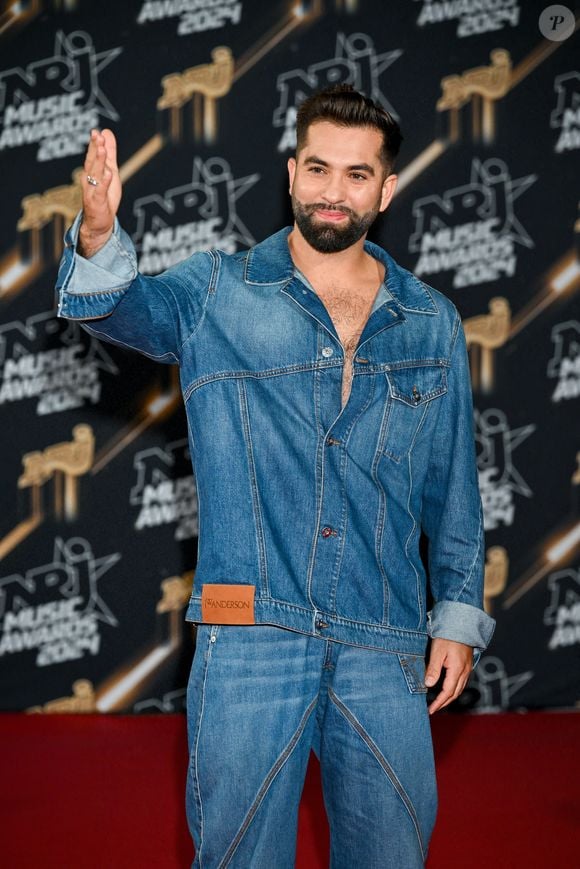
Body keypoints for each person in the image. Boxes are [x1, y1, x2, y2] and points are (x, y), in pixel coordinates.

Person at [56, 84, 495, 868]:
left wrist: (458, 617)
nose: (333, 191)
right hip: (250, 627)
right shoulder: (216, 290)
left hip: (384, 633)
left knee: (393, 853)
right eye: (318, 169)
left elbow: (452, 483)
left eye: (357, 175)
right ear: (292, 174)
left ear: (387, 189)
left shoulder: (432, 321)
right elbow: (121, 308)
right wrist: (97, 232)